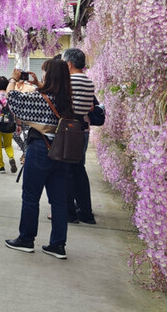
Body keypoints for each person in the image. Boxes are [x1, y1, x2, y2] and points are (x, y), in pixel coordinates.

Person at [4, 59, 74, 259]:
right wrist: (38, 86)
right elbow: (51, 99)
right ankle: (58, 245)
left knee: (31, 197)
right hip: (63, 152)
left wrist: (13, 79)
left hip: (41, 149)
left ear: (49, 76)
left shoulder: (39, 98)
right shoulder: (69, 99)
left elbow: (14, 101)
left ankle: (26, 239)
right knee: (59, 201)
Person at [62, 47, 97, 224]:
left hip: (68, 131)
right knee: (79, 171)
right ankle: (86, 212)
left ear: (69, 64)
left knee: (65, 172)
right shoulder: (89, 82)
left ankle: (69, 213)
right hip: (82, 131)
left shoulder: (68, 82)